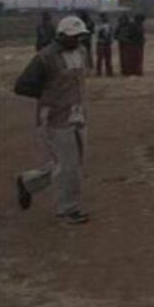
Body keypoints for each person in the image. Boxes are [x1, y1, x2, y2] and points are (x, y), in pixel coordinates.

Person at [13, 15, 92, 225]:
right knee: (68, 165)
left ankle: (29, 182)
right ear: (61, 36)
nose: (76, 40)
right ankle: (68, 210)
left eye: (80, 36)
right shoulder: (45, 57)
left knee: (71, 163)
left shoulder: (81, 52)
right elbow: (21, 86)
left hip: (77, 115)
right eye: (72, 37)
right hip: (55, 118)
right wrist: (48, 95)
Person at [93, 13, 114, 77]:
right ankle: (102, 72)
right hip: (102, 43)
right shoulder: (98, 26)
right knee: (102, 59)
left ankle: (107, 72)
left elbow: (111, 35)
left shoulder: (99, 26)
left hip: (104, 43)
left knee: (106, 59)